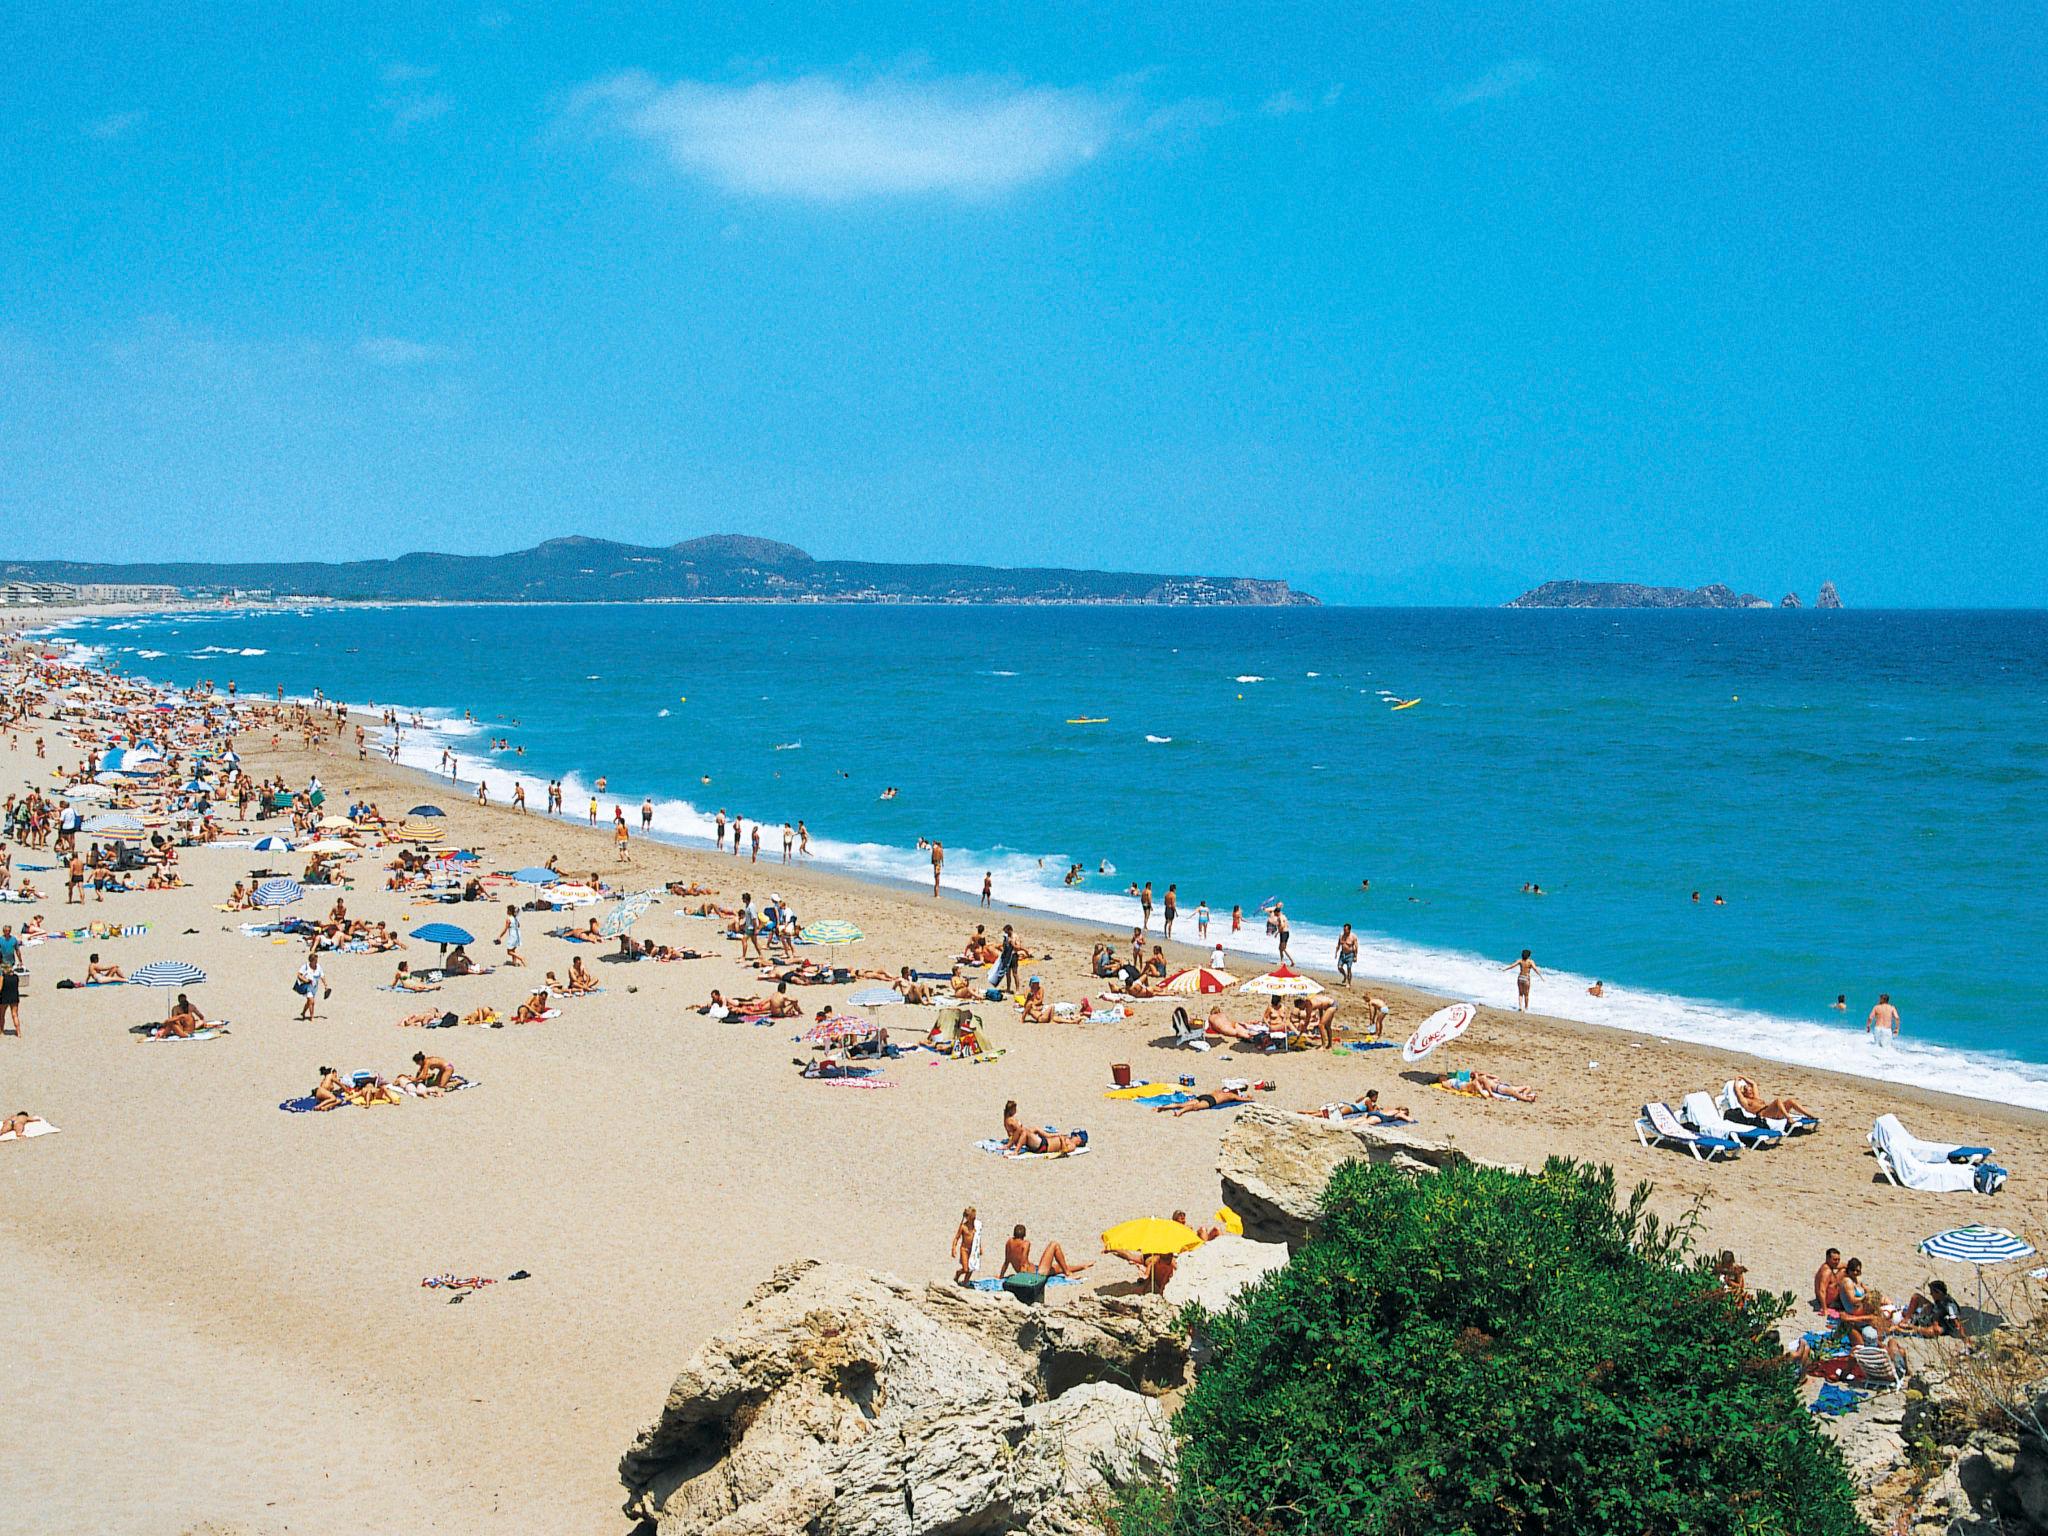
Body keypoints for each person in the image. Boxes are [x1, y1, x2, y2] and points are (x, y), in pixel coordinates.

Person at [1001, 1223, 1091, 1280]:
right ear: (1024, 1235)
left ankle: (1083, 1266)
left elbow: (1006, 1262)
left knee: (1058, 1268)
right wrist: (1025, 1280)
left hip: (1032, 1271)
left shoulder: (1009, 1242)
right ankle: (1068, 1274)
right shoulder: (1025, 1243)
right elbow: (1023, 1263)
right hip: (1036, 1274)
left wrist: (1001, 1276)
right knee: (1054, 1245)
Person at [1731, 1077, 1816, 1123]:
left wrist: (1742, 1077)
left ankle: (1809, 1115)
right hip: (1763, 1114)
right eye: (1746, 1090)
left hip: (1773, 1112)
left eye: (1749, 1089)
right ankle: (1788, 1118)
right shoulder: (1746, 1101)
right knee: (1778, 1101)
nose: (1749, 1090)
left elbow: (1753, 1083)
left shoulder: (1756, 1097)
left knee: (1791, 1101)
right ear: (1744, 1093)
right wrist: (1736, 1081)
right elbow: (1737, 1092)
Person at [951, 1207, 980, 1285]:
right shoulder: (963, 1227)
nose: (974, 1219)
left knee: (972, 1267)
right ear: (968, 1218)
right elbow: (956, 1238)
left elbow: (978, 1237)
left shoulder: (976, 1227)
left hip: (973, 1249)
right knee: (965, 1269)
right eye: (972, 1218)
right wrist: (953, 1248)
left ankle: (965, 1282)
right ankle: (958, 1273)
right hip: (964, 1249)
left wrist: (980, 1247)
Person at [295, 952, 328, 1021]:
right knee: (312, 1001)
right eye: (315, 961)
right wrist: (305, 980)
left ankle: (303, 1012)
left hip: (315, 987)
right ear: (311, 961)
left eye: (317, 961)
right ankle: (311, 1017)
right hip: (308, 987)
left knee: (309, 1002)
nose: (316, 962)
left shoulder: (318, 966)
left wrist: (325, 985)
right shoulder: (305, 966)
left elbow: (322, 976)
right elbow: (298, 974)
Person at [1814, 1248, 1844, 1313]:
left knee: (1843, 1271)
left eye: (1839, 1259)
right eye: (1835, 1260)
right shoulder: (1827, 1272)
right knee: (1845, 1273)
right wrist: (1824, 1309)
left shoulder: (1825, 1265)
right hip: (1829, 1302)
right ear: (1828, 1258)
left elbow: (1840, 1265)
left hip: (1823, 1298)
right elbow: (1822, 1290)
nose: (1837, 1262)